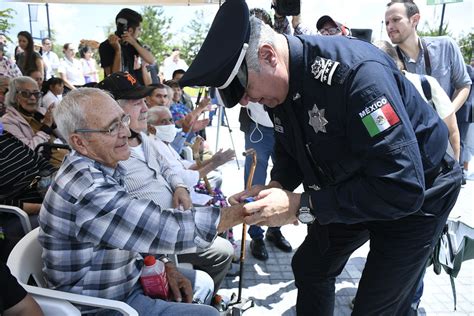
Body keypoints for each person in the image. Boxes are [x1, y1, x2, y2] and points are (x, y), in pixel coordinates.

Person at [178, 0, 462, 315]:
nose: (248, 101)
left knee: (375, 306)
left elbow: (402, 187)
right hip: (355, 183)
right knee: (310, 266)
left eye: (245, 89)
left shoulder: (357, 76)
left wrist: (300, 206)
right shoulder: (277, 87)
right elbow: (290, 148)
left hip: (418, 192)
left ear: (269, 56)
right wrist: (276, 185)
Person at [39, 87, 248, 315]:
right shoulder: (87, 188)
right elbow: (162, 228)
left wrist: (165, 265)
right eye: (112, 127)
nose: (125, 131)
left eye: (122, 120)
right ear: (80, 142)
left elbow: (133, 230)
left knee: (203, 284)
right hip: (102, 305)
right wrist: (246, 212)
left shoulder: (101, 164)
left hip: (128, 279)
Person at [385, 0, 472, 184]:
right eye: (386, 22)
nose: (389, 27)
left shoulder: (446, 46)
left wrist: (444, 115)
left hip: (447, 138)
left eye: (395, 20)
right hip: (412, 144)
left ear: (414, 19)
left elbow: (464, 85)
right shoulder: (388, 58)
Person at [239, 8, 292, 261]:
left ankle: (275, 228)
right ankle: (256, 235)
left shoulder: (276, 53)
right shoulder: (241, 56)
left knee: (283, 180)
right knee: (254, 182)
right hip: (258, 130)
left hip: (283, 129)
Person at [376, 40, 460, 161]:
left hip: (435, 170)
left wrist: (455, 167)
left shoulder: (426, 84)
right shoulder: (375, 98)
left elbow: (452, 131)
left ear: (394, 63)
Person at [1, 76, 67, 168]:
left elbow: (66, 139)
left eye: (36, 93)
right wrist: (45, 128)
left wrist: (54, 125)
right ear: (14, 97)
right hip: (47, 171)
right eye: (26, 93)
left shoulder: (42, 112)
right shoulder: (7, 122)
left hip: (67, 157)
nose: (32, 98)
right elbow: (28, 153)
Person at [98, 8, 155, 85]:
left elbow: (151, 60)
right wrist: (118, 51)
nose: (140, 33)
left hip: (131, 87)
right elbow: (113, 77)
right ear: (130, 30)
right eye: (139, 29)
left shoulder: (133, 43)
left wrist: (135, 43)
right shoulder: (106, 46)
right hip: (116, 92)